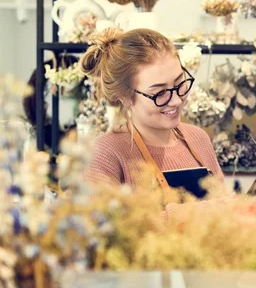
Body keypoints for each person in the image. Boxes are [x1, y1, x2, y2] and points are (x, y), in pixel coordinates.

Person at [80, 27, 224, 189]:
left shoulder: (198, 139)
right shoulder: (105, 154)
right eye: (160, 93)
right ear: (124, 96)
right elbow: (102, 215)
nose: (176, 100)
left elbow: (223, 207)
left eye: (179, 83)